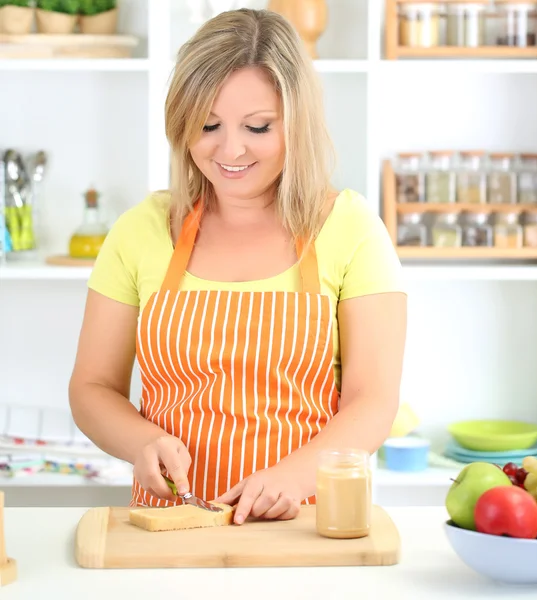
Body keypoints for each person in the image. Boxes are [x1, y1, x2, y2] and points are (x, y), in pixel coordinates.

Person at [68, 8, 407, 525]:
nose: (230, 149)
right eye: (207, 125)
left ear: (298, 123)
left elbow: (373, 400)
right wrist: (142, 440)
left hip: (308, 527)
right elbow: (91, 387)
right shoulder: (141, 229)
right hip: (170, 528)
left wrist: (290, 477)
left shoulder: (352, 229)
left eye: (257, 126)